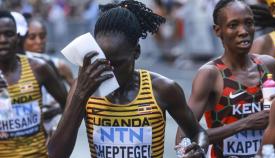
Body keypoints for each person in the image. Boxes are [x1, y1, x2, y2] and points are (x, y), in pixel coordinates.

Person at [48, 1, 208, 158]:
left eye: (118, 64)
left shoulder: (162, 89)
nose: (110, 71)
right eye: (103, 62)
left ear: (136, 52)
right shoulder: (84, 88)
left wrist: (198, 149)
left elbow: (197, 133)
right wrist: (79, 96)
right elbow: (55, 154)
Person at [175, 0, 275, 157]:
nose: (243, 31)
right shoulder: (210, 74)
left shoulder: (268, 65)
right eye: (233, 25)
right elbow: (182, 140)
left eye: (249, 23)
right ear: (218, 30)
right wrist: (246, 123)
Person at [0, 10, 67, 157]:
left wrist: (56, 138)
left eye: (8, 34)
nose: (3, 39)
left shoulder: (39, 68)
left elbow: (68, 105)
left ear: (17, 38)